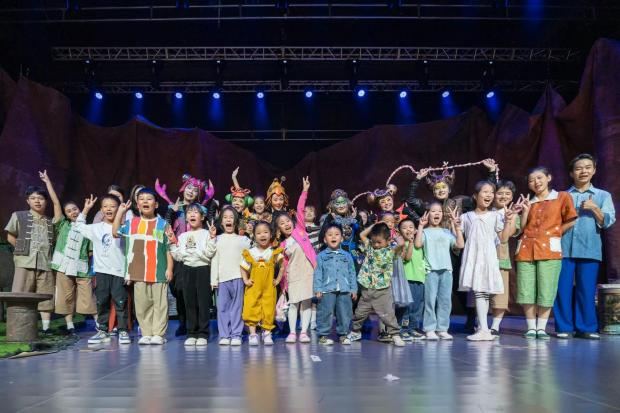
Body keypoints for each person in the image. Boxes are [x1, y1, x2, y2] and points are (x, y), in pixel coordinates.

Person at [554, 154, 616, 340]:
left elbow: (608, 222)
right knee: (562, 290)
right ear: (571, 173)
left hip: (589, 249)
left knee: (586, 290)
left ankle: (587, 327)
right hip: (563, 249)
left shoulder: (603, 195)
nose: (584, 171)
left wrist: (594, 208)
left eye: (588, 167)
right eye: (579, 168)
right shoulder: (561, 196)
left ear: (594, 171)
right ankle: (564, 327)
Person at [515, 166, 577, 339]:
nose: (536, 182)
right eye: (531, 180)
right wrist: (525, 211)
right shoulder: (528, 202)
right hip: (526, 249)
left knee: (547, 288)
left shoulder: (561, 197)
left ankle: (541, 328)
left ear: (549, 178)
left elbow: (571, 220)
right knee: (526, 289)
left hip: (550, 250)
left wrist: (555, 233)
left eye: (539, 178)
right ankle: (531, 327)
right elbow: (520, 228)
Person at [113, 188, 174, 345]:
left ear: (156, 204)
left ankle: (158, 334)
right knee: (142, 304)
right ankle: (146, 333)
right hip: (138, 271)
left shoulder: (163, 224)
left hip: (158, 270)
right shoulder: (131, 223)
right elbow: (115, 232)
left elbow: (169, 248)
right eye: (141, 199)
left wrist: (169, 268)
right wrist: (120, 212)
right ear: (137, 205)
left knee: (160, 304)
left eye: (149, 198)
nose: (145, 201)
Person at [458, 181, 517, 341]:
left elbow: (503, 239)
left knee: (481, 292)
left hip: (488, 257)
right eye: (485, 192)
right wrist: (455, 227)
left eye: (491, 192)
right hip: (473, 257)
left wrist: (508, 221)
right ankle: (483, 328)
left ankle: (484, 329)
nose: (489, 195)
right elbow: (459, 242)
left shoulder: (495, 216)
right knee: (480, 292)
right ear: (475, 196)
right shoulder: (466, 217)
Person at [157, 174, 214, 337]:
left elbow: (210, 226)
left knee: (198, 293)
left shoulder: (201, 210)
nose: (191, 191)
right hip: (179, 254)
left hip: (197, 257)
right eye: (189, 188)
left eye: (195, 190)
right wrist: (171, 212)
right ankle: (184, 323)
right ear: (183, 189)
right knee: (180, 291)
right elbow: (166, 229)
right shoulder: (175, 208)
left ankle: (199, 327)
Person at [4, 171, 57, 335]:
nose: (37, 201)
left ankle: (46, 328)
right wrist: (22, 250)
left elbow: (54, 240)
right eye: (33, 198)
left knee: (46, 295)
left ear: (45, 201)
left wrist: (48, 183)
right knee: (21, 294)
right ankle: (19, 328)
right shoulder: (18, 216)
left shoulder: (50, 221)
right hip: (25, 262)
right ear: (28, 201)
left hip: (45, 263)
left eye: (40, 198)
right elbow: (10, 236)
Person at [75, 194, 131, 345]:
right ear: (101, 210)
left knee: (120, 302)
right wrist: (86, 209)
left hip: (119, 271)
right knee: (102, 301)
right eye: (105, 206)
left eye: (112, 206)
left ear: (119, 208)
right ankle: (103, 330)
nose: (109, 209)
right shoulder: (96, 228)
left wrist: (128, 272)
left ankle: (123, 330)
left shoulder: (125, 228)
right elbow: (79, 226)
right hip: (102, 272)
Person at [348, 223, 407, 347]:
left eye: (379, 242)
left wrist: (396, 239)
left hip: (382, 291)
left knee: (388, 314)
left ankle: (395, 334)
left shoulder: (390, 251)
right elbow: (362, 235)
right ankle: (355, 332)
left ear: (388, 240)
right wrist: (375, 225)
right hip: (367, 290)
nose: (376, 245)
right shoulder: (369, 247)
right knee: (359, 313)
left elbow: (401, 245)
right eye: (374, 242)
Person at [275, 177, 317, 344]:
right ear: (279, 229)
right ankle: (292, 332)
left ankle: (304, 332)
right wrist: (283, 285)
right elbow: (283, 266)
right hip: (293, 276)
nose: (286, 224)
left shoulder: (300, 230)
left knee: (306, 303)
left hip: (308, 273)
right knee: (293, 304)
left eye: (287, 221)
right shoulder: (282, 245)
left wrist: (304, 191)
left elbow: (300, 209)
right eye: (282, 223)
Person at [168, 204, 217, 346]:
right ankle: (191, 333)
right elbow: (178, 256)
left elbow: (210, 253)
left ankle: (203, 333)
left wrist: (212, 238)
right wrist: (172, 242)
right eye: (189, 212)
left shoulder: (207, 233)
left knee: (203, 303)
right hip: (187, 269)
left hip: (203, 269)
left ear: (202, 217)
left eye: (196, 212)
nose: (192, 215)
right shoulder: (183, 236)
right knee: (189, 302)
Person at [50, 185, 96, 336]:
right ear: (65, 215)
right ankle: (70, 326)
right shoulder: (62, 225)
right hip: (63, 266)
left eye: (75, 209)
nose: (73, 212)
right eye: (69, 211)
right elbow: (56, 202)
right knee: (65, 296)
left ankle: (99, 324)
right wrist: (48, 181)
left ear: (79, 209)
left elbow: (90, 251)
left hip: (81, 267)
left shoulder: (88, 228)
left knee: (88, 296)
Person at [415, 203, 465, 340]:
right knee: (430, 301)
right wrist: (420, 226)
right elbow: (418, 245)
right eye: (433, 211)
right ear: (428, 214)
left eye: (439, 211)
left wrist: (457, 228)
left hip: (446, 270)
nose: (437, 213)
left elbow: (460, 245)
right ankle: (429, 328)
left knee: (445, 301)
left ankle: (442, 329)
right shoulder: (425, 232)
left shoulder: (446, 232)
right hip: (431, 270)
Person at [210, 206, 252, 346]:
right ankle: (224, 335)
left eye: (231, 217)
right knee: (222, 308)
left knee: (237, 308)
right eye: (225, 217)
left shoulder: (243, 240)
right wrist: (213, 279)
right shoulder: (217, 239)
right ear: (221, 222)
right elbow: (215, 260)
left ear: (236, 221)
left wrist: (246, 276)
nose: (228, 219)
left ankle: (236, 335)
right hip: (222, 279)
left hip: (238, 278)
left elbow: (249, 258)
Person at [313, 223, 357, 345]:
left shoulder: (347, 256)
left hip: (344, 289)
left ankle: (343, 334)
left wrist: (353, 289)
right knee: (325, 312)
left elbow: (352, 273)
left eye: (337, 234)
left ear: (342, 238)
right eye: (330, 235)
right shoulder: (321, 256)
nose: (333, 237)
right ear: (325, 239)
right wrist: (317, 288)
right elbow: (318, 273)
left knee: (344, 312)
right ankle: (323, 335)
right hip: (327, 289)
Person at [240, 221, 283, 346]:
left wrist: (278, 279)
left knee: (268, 308)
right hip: (253, 286)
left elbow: (282, 267)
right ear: (254, 236)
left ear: (270, 234)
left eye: (265, 232)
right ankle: (253, 334)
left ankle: (267, 333)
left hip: (269, 286)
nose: (262, 235)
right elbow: (243, 267)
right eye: (258, 233)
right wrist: (246, 280)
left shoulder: (273, 251)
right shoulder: (251, 252)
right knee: (251, 307)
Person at [490, 180, 521, 336]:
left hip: (501, 256)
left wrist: (510, 218)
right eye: (500, 193)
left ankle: (495, 326)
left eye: (507, 193)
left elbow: (507, 236)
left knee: (500, 294)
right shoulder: (485, 211)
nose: (503, 196)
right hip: (482, 256)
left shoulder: (514, 214)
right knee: (480, 292)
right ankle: (480, 324)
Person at [397, 218, 426, 340]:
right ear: (399, 231)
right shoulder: (401, 244)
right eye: (404, 228)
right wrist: (410, 243)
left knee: (417, 306)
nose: (408, 229)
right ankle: (403, 329)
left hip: (419, 279)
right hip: (407, 279)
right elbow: (407, 258)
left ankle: (413, 328)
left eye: (411, 227)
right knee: (406, 306)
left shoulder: (419, 243)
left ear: (415, 230)